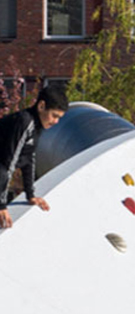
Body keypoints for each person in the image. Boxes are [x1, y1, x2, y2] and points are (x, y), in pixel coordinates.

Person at [0, 85, 69, 229]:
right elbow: (8, 164)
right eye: (54, 115)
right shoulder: (24, 121)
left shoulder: (37, 126)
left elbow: (28, 159)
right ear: (41, 106)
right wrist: (1, 205)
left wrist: (30, 195)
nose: (56, 122)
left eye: (59, 118)